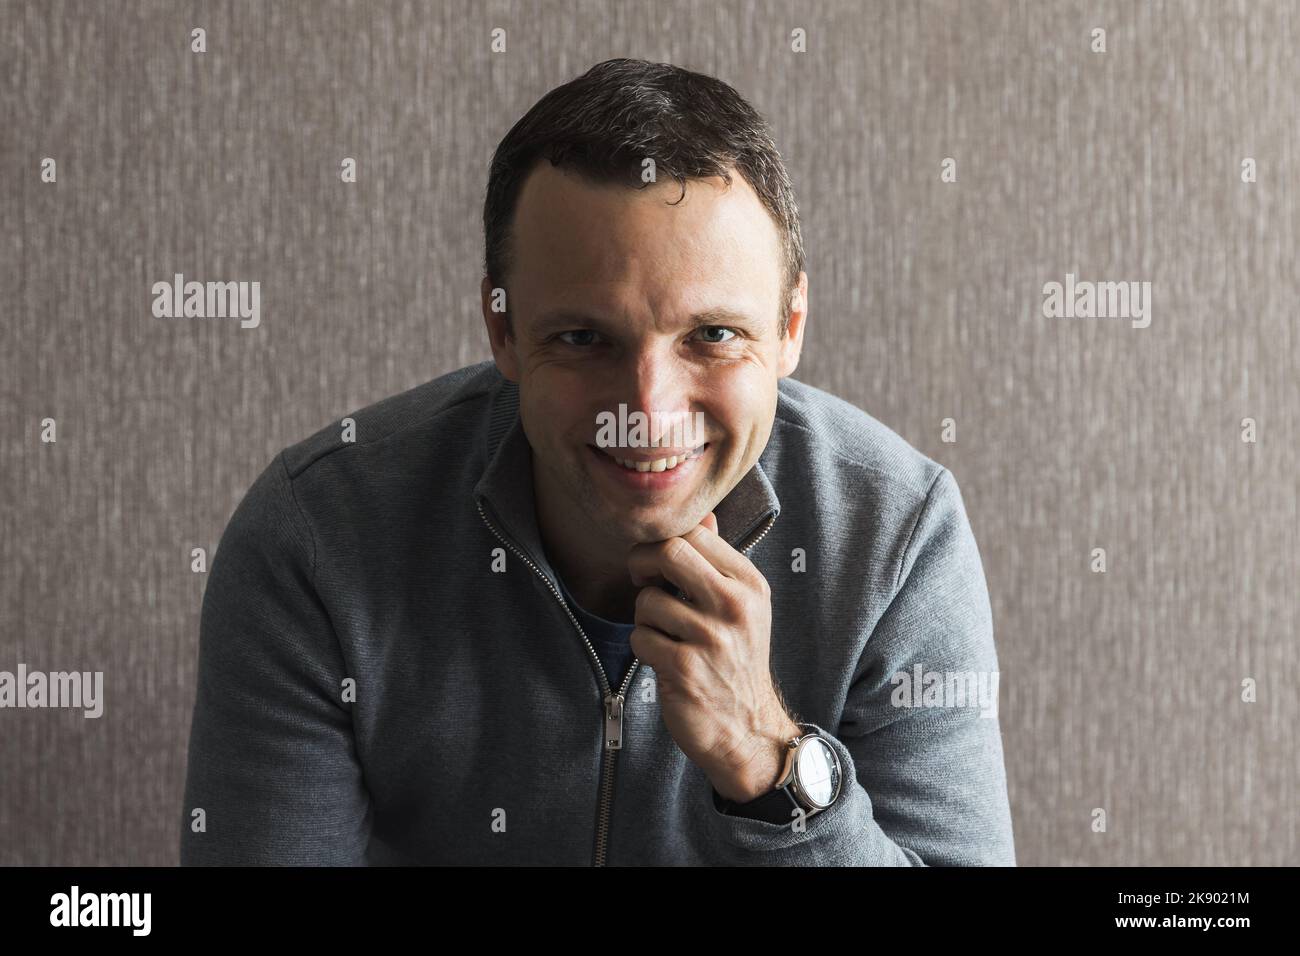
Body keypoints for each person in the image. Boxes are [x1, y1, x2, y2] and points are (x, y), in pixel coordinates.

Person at [180, 57, 1015, 866]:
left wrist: (767, 761)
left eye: (713, 336)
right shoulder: (317, 537)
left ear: (790, 327)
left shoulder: (899, 535)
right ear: (502, 329)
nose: (646, 411)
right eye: (584, 338)